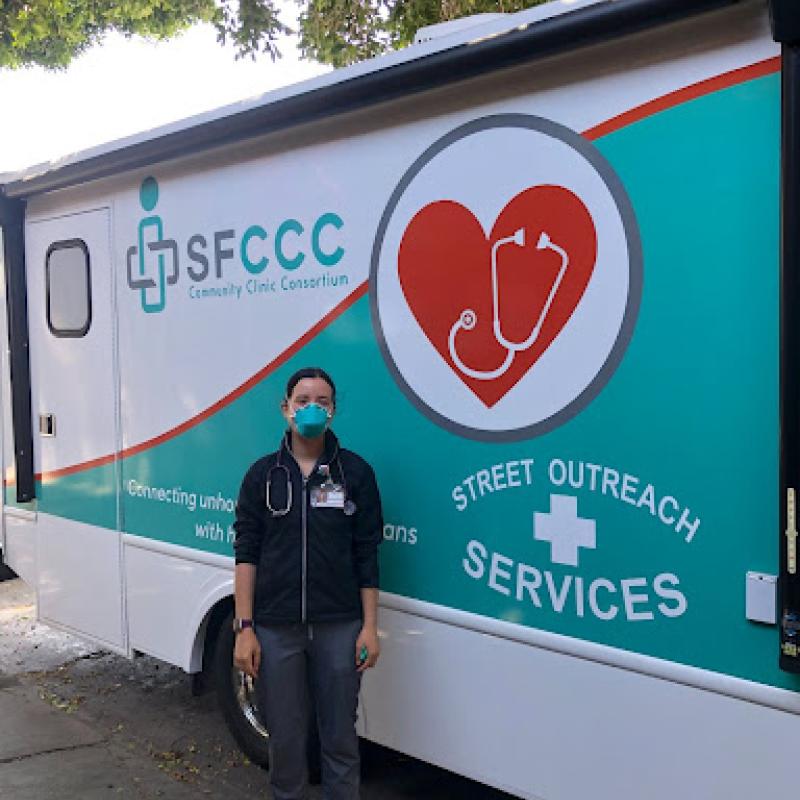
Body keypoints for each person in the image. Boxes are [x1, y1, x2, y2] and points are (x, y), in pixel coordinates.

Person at [232, 366, 383, 800]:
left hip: (340, 627)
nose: (311, 409)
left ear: (333, 412)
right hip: (276, 629)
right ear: (286, 410)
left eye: (322, 402)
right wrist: (245, 629)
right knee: (286, 742)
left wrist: (370, 628)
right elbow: (247, 554)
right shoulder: (262, 476)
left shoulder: (355, 474)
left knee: (339, 741)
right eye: (303, 401)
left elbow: (366, 554)